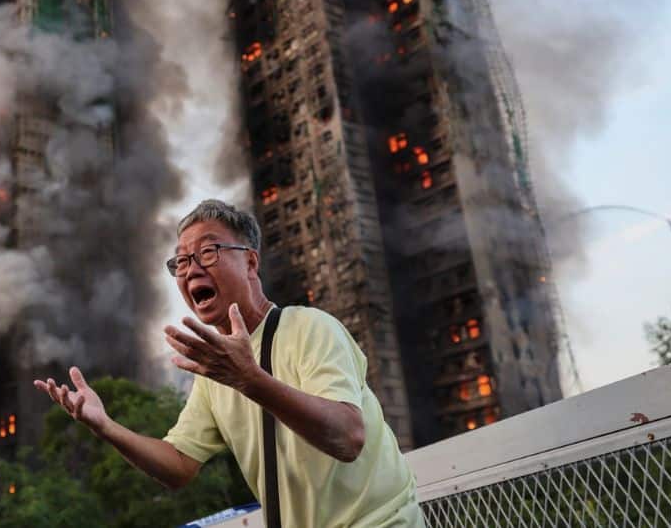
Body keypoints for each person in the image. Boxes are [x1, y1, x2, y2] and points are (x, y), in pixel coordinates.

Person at [34, 199, 425, 527]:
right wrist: (106, 427)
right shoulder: (215, 373)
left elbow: (348, 437)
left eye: (208, 251)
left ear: (251, 263)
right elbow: (179, 465)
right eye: (182, 261)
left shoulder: (311, 328)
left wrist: (249, 379)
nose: (192, 269)